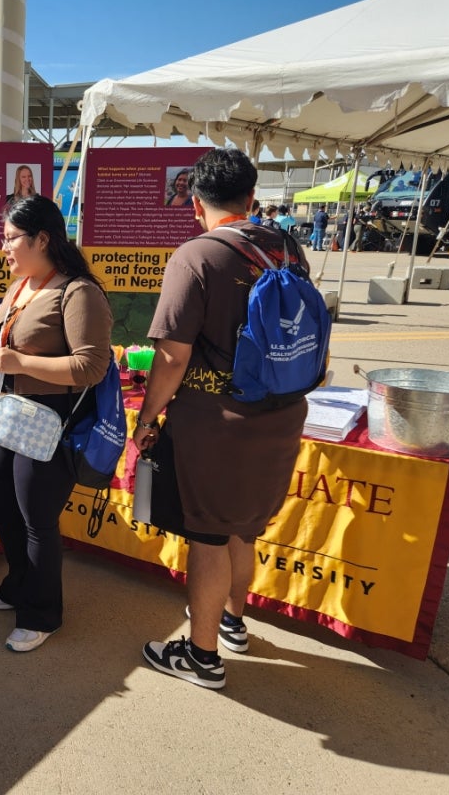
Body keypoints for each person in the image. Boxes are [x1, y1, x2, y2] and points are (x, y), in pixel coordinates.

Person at [132, 148, 311, 690]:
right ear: (251, 197)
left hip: (216, 421)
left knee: (208, 537)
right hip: (282, 412)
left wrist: (147, 417)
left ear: (195, 203)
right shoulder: (288, 247)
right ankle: (232, 622)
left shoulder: (196, 256)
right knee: (244, 529)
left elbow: (171, 357)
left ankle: (203, 657)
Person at [0, 194, 113, 653]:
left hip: (50, 424)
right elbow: (9, 345)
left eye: (11, 238)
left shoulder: (79, 292)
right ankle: (19, 582)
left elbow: (91, 367)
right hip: (9, 413)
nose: (3, 247)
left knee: (37, 522)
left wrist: (19, 361)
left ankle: (42, 611)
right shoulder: (21, 284)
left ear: (42, 238)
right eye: (4, 237)